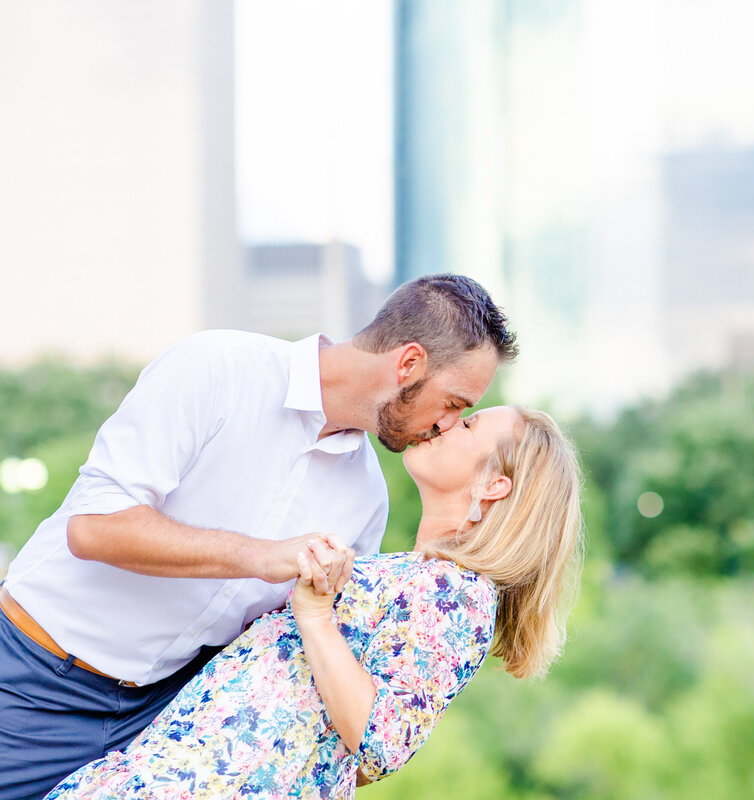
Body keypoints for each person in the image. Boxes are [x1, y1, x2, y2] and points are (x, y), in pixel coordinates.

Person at [0, 274, 519, 800]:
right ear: (408, 364)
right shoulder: (217, 369)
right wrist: (260, 556)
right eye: (453, 404)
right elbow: (93, 527)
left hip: (160, 730)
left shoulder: (366, 501)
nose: (447, 426)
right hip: (34, 682)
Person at [45, 405, 583, 798]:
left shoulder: (457, 592)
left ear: (495, 486)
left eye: (467, 424)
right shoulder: (416, 576)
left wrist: (316, 615)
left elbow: (381, 743)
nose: (445, 422)